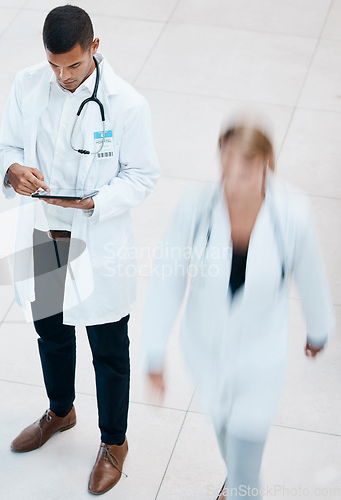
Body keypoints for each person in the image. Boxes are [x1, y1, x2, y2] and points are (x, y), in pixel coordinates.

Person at [0, 5, 159, 495]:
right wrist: (14, 171)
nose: (63, 77)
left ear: (94, 47)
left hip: (97, 239)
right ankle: (61, 411)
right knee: (51, 333)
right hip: (45, 233)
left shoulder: (126, 104)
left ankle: (114, 442)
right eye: (54, 66)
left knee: (109, 350)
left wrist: (96, 201)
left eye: (72, 65)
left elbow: (143, 176)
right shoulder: (27, 85)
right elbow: (7, 148)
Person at [141, 119, 335, 499]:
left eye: (244, 171)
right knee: (226, 431)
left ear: (266, 165)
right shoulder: (196, 208)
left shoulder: (291, 213)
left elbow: (311, 273)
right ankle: (237, 481)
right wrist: (154, 351)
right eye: (226, 166)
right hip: (205, 347)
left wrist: (318, 329)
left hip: (261, 356)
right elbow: (168, 278)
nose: (232, 181)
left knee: (245, 464)